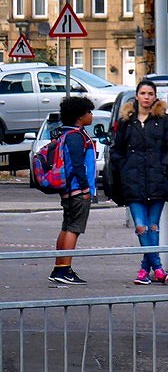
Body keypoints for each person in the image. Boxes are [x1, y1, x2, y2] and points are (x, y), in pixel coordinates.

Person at [109, 79, 168, 285]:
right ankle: (157, 268)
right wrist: (124, 168)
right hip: (133, 181)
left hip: (158, 179)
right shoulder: (126, 121)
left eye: (150, 93)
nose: (147, 97)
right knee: (141, 226)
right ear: (137, 96)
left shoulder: (163, 120)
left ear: (155, 96)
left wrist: (165, 166)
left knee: (153, 226)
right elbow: (116, 150)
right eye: (143, 93)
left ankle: (144, 270)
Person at [48, 96, 96, 286]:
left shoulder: (66, 133)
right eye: (89, 112)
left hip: (68, 189)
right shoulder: (76, 136)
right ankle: (63, 270)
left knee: (67, 227)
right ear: (80, 116)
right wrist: (85, 188)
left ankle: (59, 267)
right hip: (77, 190)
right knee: (74, 229)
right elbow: (77, 164)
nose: (91, 115)